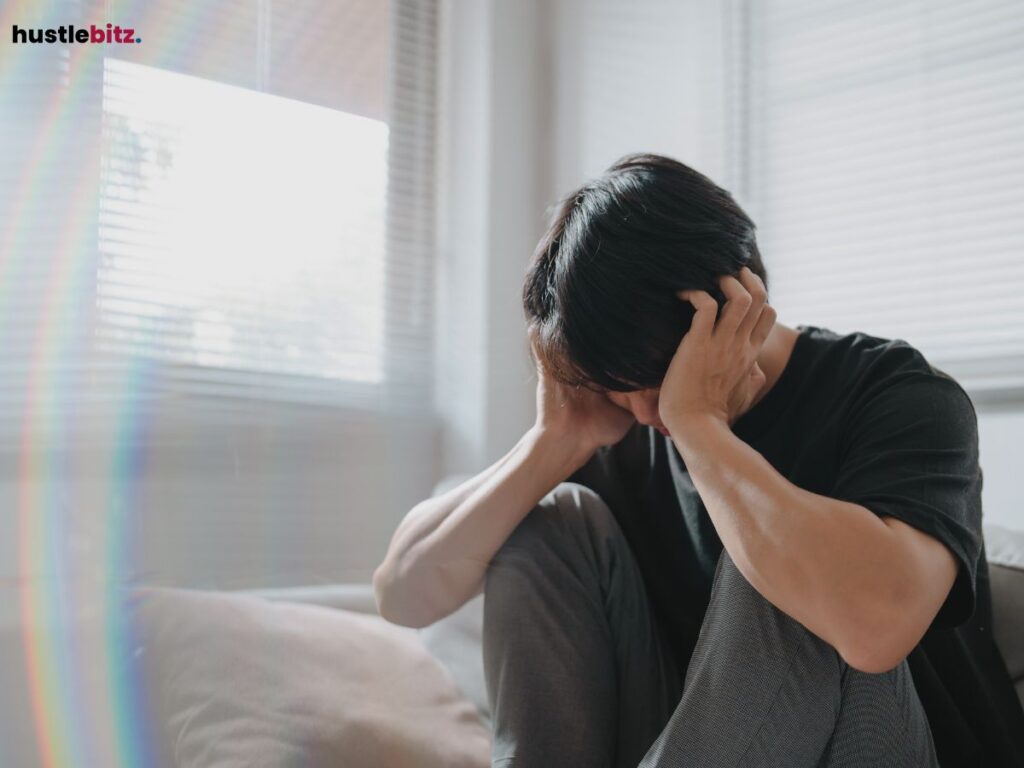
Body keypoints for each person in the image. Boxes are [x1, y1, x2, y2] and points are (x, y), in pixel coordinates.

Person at [373, 154, 1024, 766]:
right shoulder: (621, 415)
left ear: (739, 303)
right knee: (549, 518)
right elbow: (403, 593)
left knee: (782, 562)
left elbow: (878, 625)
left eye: (655, 380)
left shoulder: (897, 392)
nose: (644, 412)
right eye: (616, 385)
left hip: (892, 742)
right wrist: (553, 440)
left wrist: (702, 426)